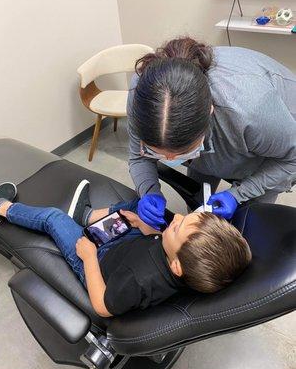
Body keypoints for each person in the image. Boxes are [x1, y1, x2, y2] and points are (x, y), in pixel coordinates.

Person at [0, 180, 252, 317]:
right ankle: (85, 216)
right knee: (140, 208)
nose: (175, 219)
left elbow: (102, 306)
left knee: (53, 218)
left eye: (177, 227)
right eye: (183, 218)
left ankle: (2, 209)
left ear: (176, 266)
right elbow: (162, 243)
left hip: (97, 263)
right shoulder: (185, 267)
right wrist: (145, 227)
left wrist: (88, 257)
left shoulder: (136, 280)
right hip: (128, 249)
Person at [127, 37, 296, 229]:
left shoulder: (251, 111)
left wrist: (238, 194)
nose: (170, 159)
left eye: (184, 153)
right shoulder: (143, 94)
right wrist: (148, 191)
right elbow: (138, 157)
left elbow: (291, 159)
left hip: (276, 142)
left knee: (251, 222)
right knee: (198, 200)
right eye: (156, 152)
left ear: (209, 112)